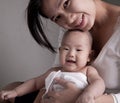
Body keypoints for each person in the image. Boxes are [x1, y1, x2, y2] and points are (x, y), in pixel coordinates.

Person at [1, 0, 120, 103]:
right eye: (57, 17)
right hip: (58, 95)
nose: (69, 20)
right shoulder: (72, 27)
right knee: (9, 89)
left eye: (66, 3)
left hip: (97, 100)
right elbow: (56, 72)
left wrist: (80, 98)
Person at [0, 30, 105, 103]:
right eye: (66, 49)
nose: (71, 54)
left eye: (78, 50)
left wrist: (88, 94)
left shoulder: (88, 71)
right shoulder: (55, 71)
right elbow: (35, 83)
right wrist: (16, 92)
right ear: (59, 51)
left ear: (89, 56)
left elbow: (98, 83)